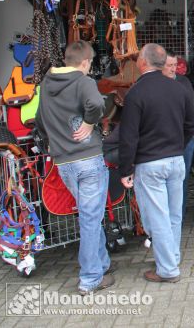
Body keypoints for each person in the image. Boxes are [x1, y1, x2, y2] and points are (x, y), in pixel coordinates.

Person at [35, 40, 112, 295]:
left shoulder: (46, 84)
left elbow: (39, 120)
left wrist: (54, 141)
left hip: (63, 161)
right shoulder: (84, 81)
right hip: (88, 158)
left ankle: (102, 264)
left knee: (90, 216)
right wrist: (90, 123)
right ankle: (90, 278)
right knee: (90, 219)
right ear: (85, 62)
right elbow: (97, 105)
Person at [119, 44, 194, 282]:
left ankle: (168, 269)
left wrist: (126, 168)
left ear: (142, 63)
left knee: (158, 218)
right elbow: (192, 124)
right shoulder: (180, 89)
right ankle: (171, 257)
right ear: (163, 63)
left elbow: (129, 136)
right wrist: (178, 146)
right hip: (176, 160)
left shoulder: (136, 93)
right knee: (173, 215)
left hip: (149, 163)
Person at [163, 51, 194, 216]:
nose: (172, 69)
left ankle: (178, 215)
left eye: (174, 65)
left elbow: (193, 112)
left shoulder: (183, 82)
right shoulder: (156, 83)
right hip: (163, 141)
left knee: (181, 179)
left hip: (183, 140)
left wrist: (186, 138)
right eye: (169, 65)